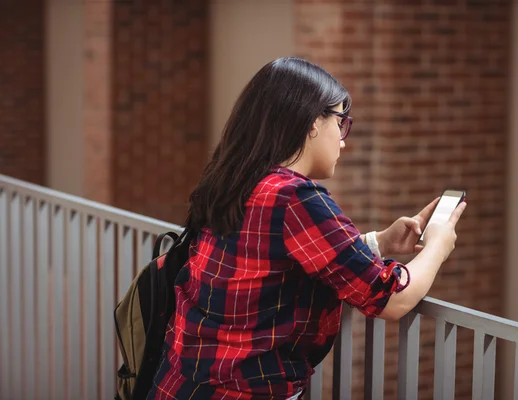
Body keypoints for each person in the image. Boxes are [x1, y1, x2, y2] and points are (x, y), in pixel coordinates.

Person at [148, 57, 466, 400]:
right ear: (315, 121)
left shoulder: (235, 178)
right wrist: (438, 244)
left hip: (177, 383)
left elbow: (269, 260)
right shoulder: (295, 197)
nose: (343, 141)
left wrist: (378, 243)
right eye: (341, 121)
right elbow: (392, 300)